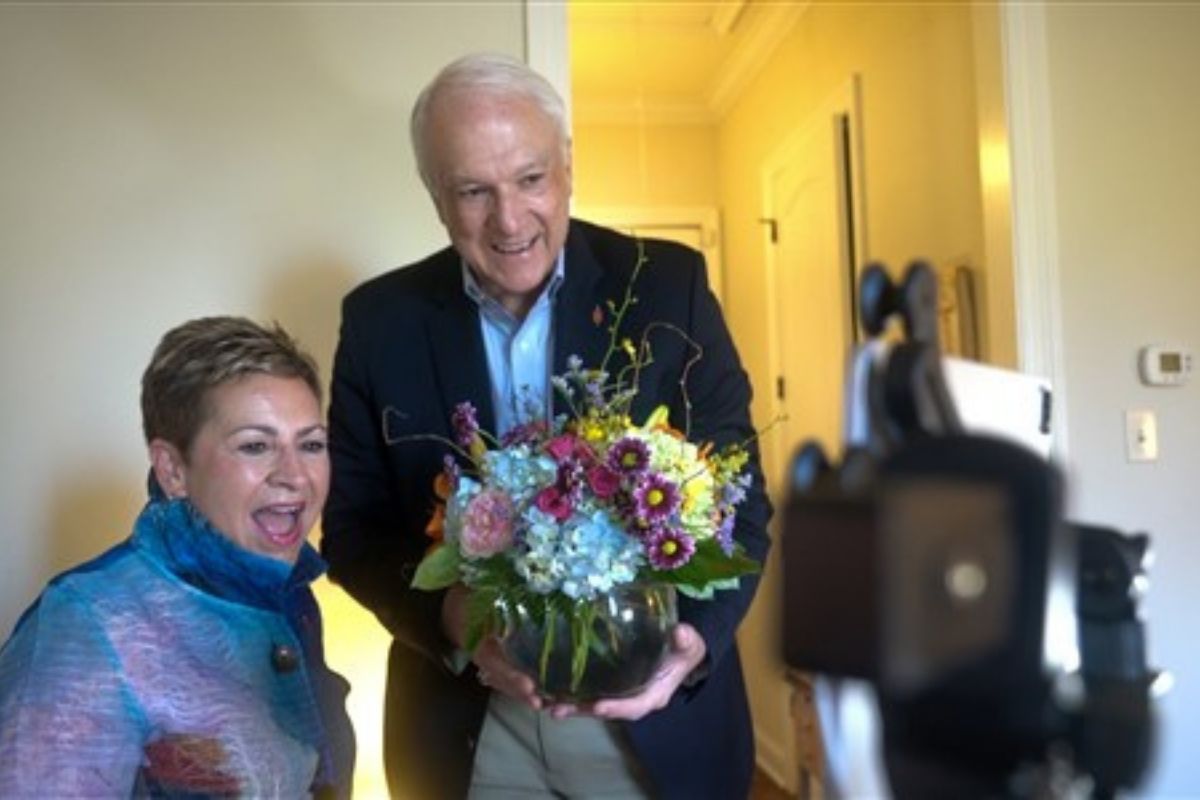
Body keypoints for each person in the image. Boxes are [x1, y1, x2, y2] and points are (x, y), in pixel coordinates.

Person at [323, 53, 771, 799]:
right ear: (436, 194)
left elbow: (744, 500)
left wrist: (691, 647)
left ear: (566, 165)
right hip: (469, 729)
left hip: (651, 726)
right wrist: (449, 616)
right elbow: (352, 529)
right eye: (473, 190)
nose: (509, 219)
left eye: (531, 179)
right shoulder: (378, 321)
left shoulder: (668, 286)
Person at [0, 317, 356, 798]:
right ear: (172, 469)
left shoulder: (288, 594)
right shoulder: (87, 621)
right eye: (255, 446)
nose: (295, 475)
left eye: (311, 444)